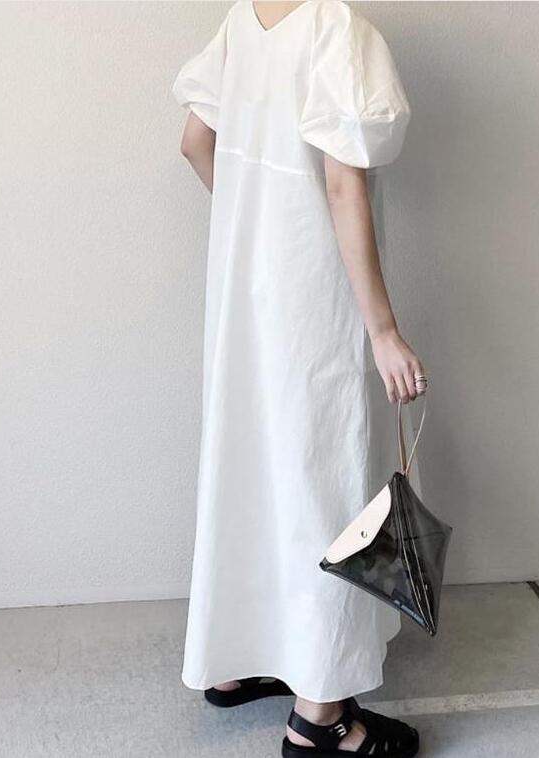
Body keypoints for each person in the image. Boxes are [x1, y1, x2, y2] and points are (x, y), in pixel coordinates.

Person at [173, 1, 427, 755]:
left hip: (245, 294)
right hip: (315, 296)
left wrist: (257, 225)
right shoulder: (337, 30)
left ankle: (234, 661)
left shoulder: (242, 21)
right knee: (324, 477)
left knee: (250, 461)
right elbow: (344, 186)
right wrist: (382, 331)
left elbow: (193, 143)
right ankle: (321, 719)